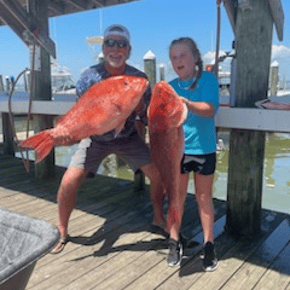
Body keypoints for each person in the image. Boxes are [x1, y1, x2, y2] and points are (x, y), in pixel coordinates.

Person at [51, 24, 163, 254]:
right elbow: (82, 113)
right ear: (103, 48)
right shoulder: (88, 76)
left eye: (121, 44)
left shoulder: (139, 78)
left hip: (128, 136)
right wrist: (69, 132)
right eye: (110, 43)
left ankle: (159, 219)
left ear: (129, 50)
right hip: (96, 138)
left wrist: (140, 106)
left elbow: (145, 116)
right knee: (68, 181)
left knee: (159, 175)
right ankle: (62, 231)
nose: (115, 48)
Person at [166, 37, 220, 270]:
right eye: (173, 57)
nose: (178, 60)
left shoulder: (208, 80)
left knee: (203, 198)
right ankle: (174, 241)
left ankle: (209, 245)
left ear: (195, 57)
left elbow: (210, 110)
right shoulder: (168, 86)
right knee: (176, 198)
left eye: (183, 55)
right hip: (177, 151)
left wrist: (187, 103)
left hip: (204, 149)